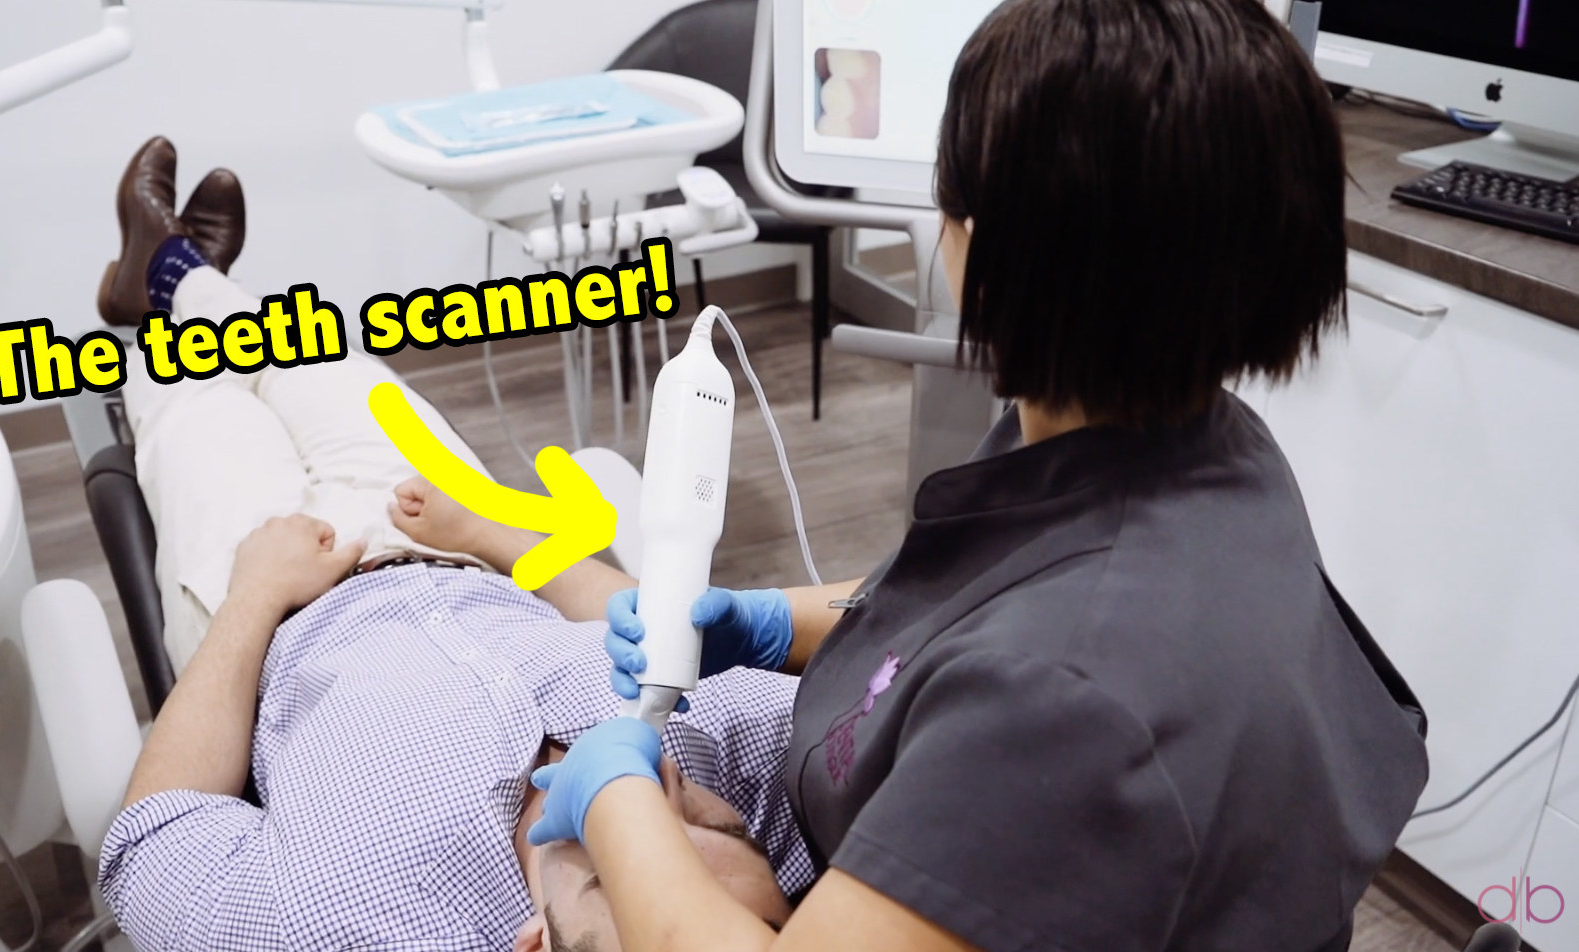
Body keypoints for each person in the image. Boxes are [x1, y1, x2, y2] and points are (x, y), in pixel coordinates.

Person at [522, 2, 1432, 952]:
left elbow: (1037, 667)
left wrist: (615, 799)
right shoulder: (1202, 444)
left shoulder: (1065, 704)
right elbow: (977, 602)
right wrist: (770, 622)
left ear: (981, 252)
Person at [91, 137, 813, 952]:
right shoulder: (767, 765)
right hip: (453, 541)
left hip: (277, 613)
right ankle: (184, 271)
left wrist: (258, 590)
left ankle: (162, 292)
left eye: (624, 861)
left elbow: (154, 840)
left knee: (192, 396)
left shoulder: (343, 925)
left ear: (535, 941)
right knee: (318, 358)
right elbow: (629, 616)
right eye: (710, 823)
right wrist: (490, 537)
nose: (657, 788)